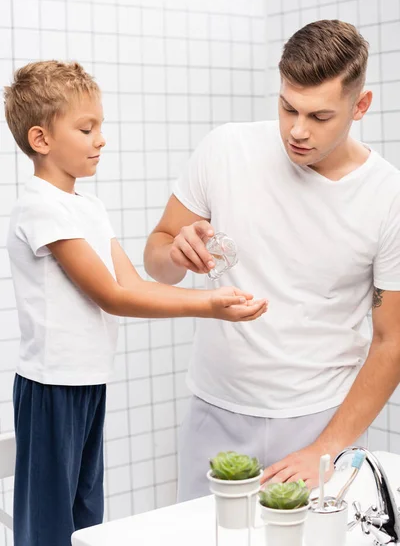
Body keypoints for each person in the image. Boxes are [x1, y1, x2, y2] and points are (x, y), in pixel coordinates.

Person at [4, 60, 267, 546]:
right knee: (46, 526)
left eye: (100, 125)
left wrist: (207, 293)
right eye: (87, 128)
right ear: (41, 140)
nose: (101, 138)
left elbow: (131, 280)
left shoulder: (88, 207)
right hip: (51, 386)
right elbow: (112, 295)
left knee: (86, 514)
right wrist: (207, 306)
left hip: (88, 381)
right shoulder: (39, 207)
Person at [144, 20, 400, 501]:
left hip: (319, 421)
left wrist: (326, 446)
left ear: (360, 105)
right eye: (288, 108)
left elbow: (392, 342)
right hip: (214, 411)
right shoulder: (225, 149)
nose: (297, 131)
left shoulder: (389, 198)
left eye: (320, 117)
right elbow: (157, 261)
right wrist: (176, 251)